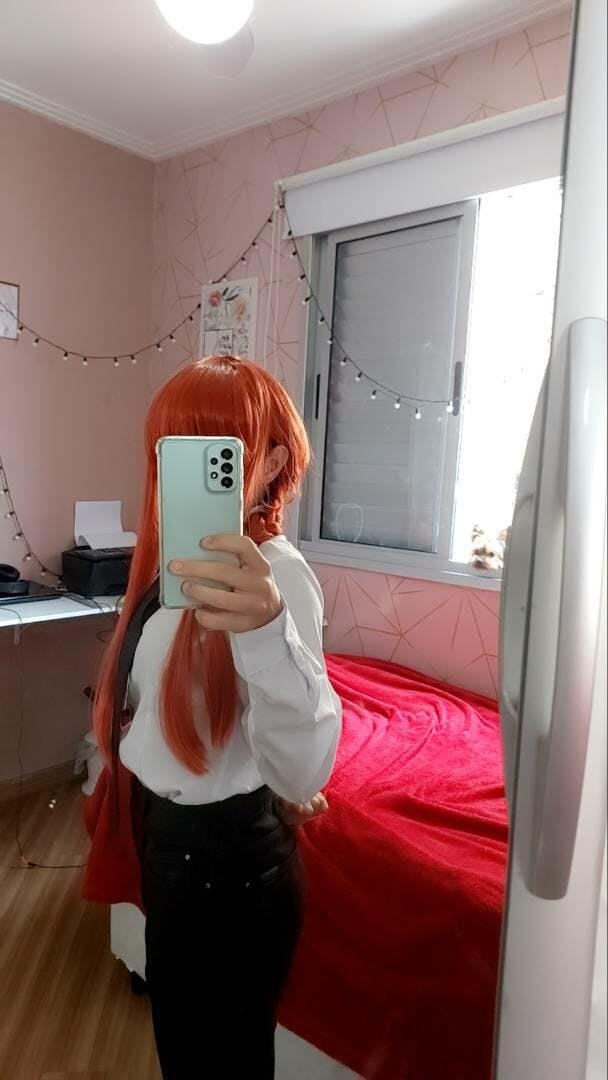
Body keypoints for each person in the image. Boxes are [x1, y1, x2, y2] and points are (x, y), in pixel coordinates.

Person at [90, 355, 342, 1080]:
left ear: (271, 464)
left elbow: (304, 762)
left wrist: (266, 630)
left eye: (219, 454)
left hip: (228, 867)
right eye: (175, 453)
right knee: (186, 1055)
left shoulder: (276, 577)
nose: (191, 478)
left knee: (220, 1065)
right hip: (171, 846)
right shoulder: (172, 566)